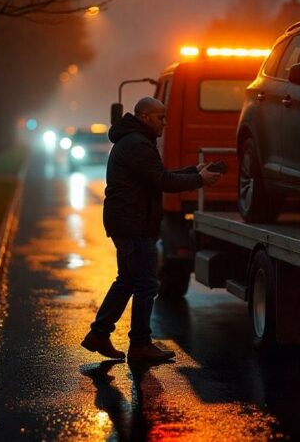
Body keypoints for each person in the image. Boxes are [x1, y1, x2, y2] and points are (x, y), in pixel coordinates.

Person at [81, 97, 221, 362]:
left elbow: (156, 174)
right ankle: (140, 345)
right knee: (145, 283)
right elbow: (161, 180)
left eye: (166, 118)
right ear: (144, 117)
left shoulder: (136, 141)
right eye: (160, 118)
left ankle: (99, 335)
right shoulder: (137, 144)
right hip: (133, 224)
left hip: (128, 221)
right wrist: (199, 180)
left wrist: (194, 171)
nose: (165, 123)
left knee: (127, 281)